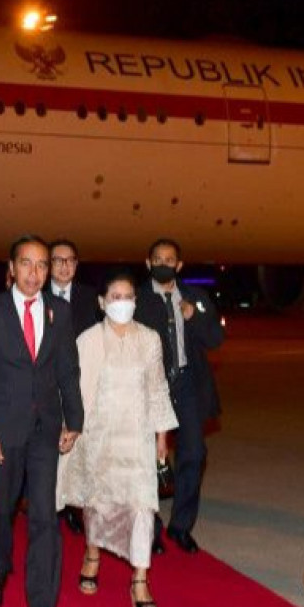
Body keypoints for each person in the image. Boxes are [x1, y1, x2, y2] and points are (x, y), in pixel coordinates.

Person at [0, 235, 83, 607]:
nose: (35, 273)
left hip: (45, 430)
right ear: (12, 267)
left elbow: (68, 369)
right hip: (2, 429)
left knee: (44, 518)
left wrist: (75, 419)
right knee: (0, 508)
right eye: (27, 264)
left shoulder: (61, 312)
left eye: (42, 265)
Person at [57, 271, 176, 607]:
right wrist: (71, 429)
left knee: (142, 505)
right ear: (102, 303)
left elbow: (157, 387)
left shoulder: (150, 339)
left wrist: (162, 436)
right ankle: (92, 554)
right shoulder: (88, 340)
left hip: (137, 437)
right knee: (99, 503)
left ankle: (140, 578)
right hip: (99, 435)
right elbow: (75, 392)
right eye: (115, 297)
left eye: (128, 297)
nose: (122, 303)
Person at [133, 237, 223, 554]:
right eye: (157, 259)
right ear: (148, 263)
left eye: (169, 259)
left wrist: (193, 318)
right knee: (147, 460)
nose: (163, 264)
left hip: (187, 385)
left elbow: (216, 338)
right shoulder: (137, 300)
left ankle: (181, 525)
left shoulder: (195, 297)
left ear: (179, 265)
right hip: (150, 387)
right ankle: (151, 528)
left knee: (193, 454)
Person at [43, 238, 103, 536]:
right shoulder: (36, 297)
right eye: (58, 260)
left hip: (83, 384)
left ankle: (72, 505)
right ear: (48, 264)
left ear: (77, 265)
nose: (65, 266)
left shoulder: (91, 297)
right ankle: (50, 504)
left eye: (70, 260)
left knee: (78, 446)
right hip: (45, 385)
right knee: (49, 446)